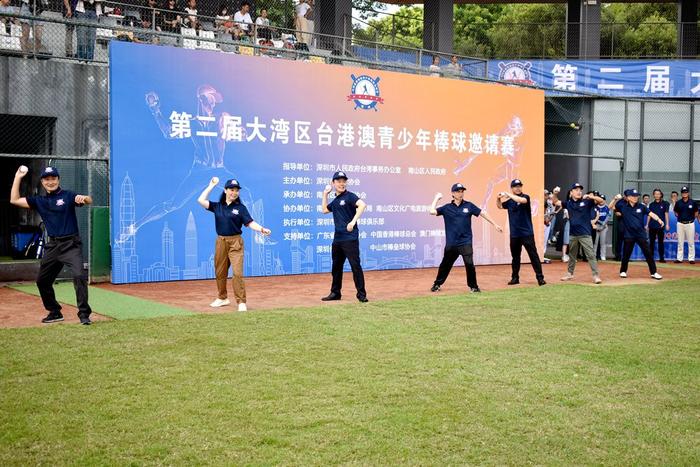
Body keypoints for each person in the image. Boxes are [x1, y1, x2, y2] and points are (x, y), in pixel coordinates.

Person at [10, 166, 93, 325]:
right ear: (42, 182)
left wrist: (84, 198)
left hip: (71, 244)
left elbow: (88, 200)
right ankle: (55, 312)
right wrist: (18, 177)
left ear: (58, 179)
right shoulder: (39, 201)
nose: (50, 182)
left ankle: (84, 314)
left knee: (78, 275)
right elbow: (14, 200)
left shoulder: (68, 195)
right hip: (53, 246)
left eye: (53, 178)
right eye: (47, 179)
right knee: (42, 281)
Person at [198, 177, 270, 312]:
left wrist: (261, 229)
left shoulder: (240, 208)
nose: (234, 192)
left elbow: (249, 223)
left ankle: (241, 302)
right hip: (221, 242)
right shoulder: (217, 206)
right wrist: (211, 186)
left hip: (236, 243)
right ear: (225, 190)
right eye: (231, 189)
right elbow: (201, 200)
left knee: (237, 273)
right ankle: (222, 298)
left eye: (236, 190)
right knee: (220, 272)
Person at [430, 183, 503, 293]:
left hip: (465, 242)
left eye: (462, 191)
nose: (461, 193)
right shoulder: (446, 208)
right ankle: (437, 284)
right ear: (453, 194)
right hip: (452, 243)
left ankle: (473, 287)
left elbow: (482, 213)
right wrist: (436, 198)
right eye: (458, 191)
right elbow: (431, 211)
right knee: (445, 265)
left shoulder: (469, 206)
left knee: (469, 265)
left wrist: (495, 224)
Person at [321, 171, 368, 303]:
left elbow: (362, 205)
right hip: (338, 239)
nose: (342, 183)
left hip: (350, 238)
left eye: (343, 181)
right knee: (336, 267)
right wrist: (325, 194)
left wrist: (353, 222)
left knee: (355, 266)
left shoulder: (350, 196)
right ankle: (335, 293)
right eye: (339, 181)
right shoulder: (335, 201)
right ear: (333, 183)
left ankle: (361, 294)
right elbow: (324, 210)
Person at [497, 179, 545, 286]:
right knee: (515, 257)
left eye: (519, 186)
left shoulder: (525, 197)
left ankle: (540, 278)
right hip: (514, 234)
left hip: (527, 233)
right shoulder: (509, 202)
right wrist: (498, 198)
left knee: (533, 255)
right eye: (515, 186)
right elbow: (500, 206)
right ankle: (515, 278)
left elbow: (522, 201)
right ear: (512, 188)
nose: (518, 188)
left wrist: (508, 194)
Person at [612, 189, 664, 280]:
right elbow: (611, 207)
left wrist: (659, 219)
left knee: (648, 254)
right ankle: (623, 271)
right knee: (626, 255)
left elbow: (651, 213)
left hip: (641, 235)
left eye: (637, 196)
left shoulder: (641, 206)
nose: (636, 197)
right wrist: (615, 199)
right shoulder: (623, 207)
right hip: (629, 235)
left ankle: (654, 272)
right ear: (628, 197)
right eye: (633, 196)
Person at [560, 183, 603, 284]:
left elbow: (601, 201)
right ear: (571, 192)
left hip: (585, 233)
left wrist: (590, 196)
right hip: (573, 234)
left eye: (580, 190)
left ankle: (595, 275)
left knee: (591, 255)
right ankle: (570, 274)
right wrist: (554, 194)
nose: (579, 192)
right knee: (572, 255)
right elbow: (555, 202)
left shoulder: (587, 202)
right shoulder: (568, 203)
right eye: (576, 190)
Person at [674, 186, 697, 264]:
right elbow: (675, 212)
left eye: (686, 192)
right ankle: (679, 258)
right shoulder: (678, 202)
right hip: (680, 223)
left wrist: (691, 218)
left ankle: (691, 258)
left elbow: (696, 213)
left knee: (691, 242)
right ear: (681, 193)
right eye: (683, 192)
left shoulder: (693, 202)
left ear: (688, 193)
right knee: (680, 242)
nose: (684, 193)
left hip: (690, 223)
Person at [647, 188, 670, 263]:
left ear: (661, 195)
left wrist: (667, 224)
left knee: (661, 242)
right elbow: (649, 215)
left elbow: (666, 214)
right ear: (653, 195)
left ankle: (662, 258)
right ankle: (650, 258)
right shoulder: (651, 204)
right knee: (652, 242)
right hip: (652, 226)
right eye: (655, 194)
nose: (657, 195)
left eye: (658, 194)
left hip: (661, 226)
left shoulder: (665, 203)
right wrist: (647, 224)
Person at [592, 194, 609, 260]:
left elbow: (608, 216)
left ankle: (603, 255)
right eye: (600, 199)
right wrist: (598, 222)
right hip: (596, 225)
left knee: (603, 242)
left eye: (603, 200)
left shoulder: (606, 207)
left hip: (604, 226)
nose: (602, 201)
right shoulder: (596, 207)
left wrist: (603, 224)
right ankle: (594, 255)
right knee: (595, 242)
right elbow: (594, 217)